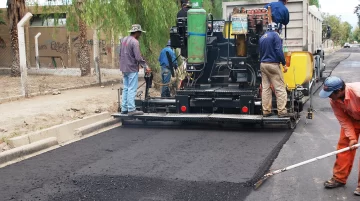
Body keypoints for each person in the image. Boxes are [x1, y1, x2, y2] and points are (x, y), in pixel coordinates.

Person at [319, 76, 360, 196]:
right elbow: (343, 120)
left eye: (331, 94)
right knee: (344, 147)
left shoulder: (358, 92)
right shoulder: (334, 100)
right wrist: (352, 138)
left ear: (340, 91)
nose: (329, 97)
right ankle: (339, 178)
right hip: (352, 120)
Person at [259, 22, 290, 118]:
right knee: (280, 88)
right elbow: (278, 50)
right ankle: (281, 111)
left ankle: (266, 111)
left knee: (266, 88)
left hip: (263, 64)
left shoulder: (262, 37)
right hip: (273, 65)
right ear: (276, 29)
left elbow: (260, 52)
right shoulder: (275, 36)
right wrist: (284, 63)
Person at [119, 24, 151, 116]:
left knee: (126, 88)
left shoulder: (123, 40)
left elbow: (120, 54)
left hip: (124, 67)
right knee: (132, 88)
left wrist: (121, 65)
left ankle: (124, 108)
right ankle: (131, 109)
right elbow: (138, 57)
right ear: (136, 32)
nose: (140, 35)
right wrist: (146, 66)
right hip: (132, 68)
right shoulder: (135, 42)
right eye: (140, 33)